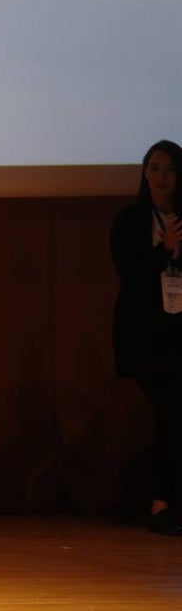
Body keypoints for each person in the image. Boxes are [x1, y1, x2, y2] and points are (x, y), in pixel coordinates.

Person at [110, 139, 182, 536]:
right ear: (144, 172)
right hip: (145, 337)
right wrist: (166, 251)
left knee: (171, 415)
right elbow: (132, 276)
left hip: (179, 331)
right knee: (171, 410)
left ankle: (164, 501)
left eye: (169, 169)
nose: (160, 177)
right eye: (153, 168)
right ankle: (162, 501)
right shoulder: (130, 220)